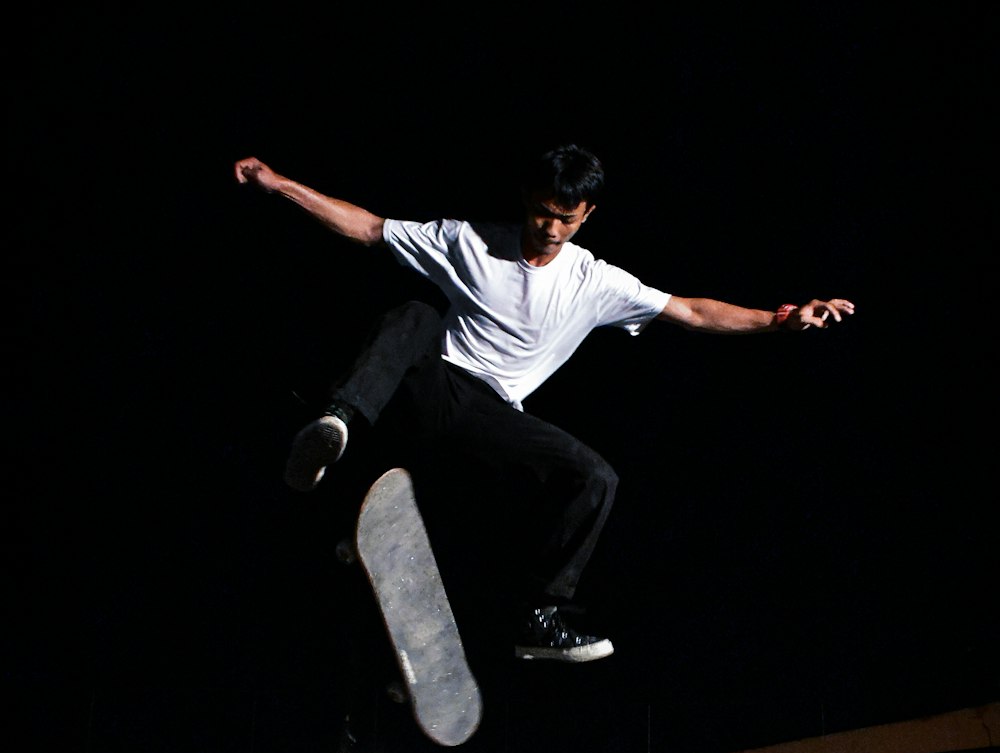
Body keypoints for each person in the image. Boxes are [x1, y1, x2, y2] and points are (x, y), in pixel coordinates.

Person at [234, 147, 854, 661]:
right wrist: (279, 184)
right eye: (539, 213)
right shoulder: (470, 241)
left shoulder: (594, 281)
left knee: (594, 476)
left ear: (586, 215)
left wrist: (779, 321)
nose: (548, 230)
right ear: (525, 199)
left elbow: (690, 311)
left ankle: (538, 615)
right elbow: (369, 228)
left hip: (492, 419)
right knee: (417, 313)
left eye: (564, 218)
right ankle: (336, 424)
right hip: (426, 390)